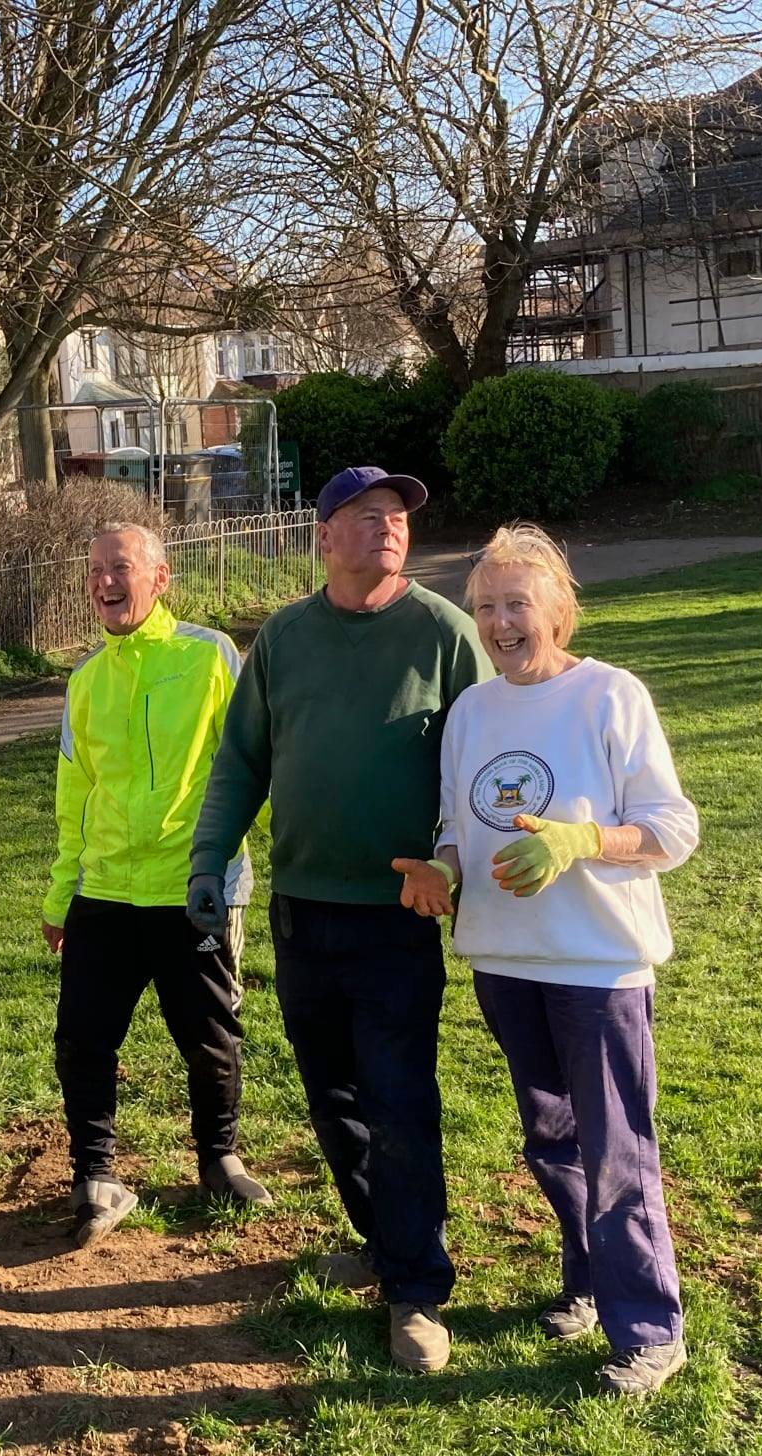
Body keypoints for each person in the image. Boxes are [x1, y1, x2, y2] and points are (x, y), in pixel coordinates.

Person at [189, 465, 490, 1374]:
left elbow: (484, 764)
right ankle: (382, 1239)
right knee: (333, 1098)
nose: (388, 528)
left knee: (399, 1100)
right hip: (302, 909)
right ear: (323, 537)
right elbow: (242, 762)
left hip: (396, 915)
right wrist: (209, 859)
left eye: (397, 516)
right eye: (366, 516)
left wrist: (456, 864)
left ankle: (415, 1291)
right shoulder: (284, 637)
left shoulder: (444, 633)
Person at [392, 523, 698, 1396]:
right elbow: (457, 825)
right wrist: (442, 871)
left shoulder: (609, 695)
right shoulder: (472, 712)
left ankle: (650, 1330)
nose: (499, 623)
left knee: (617, 1151)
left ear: (559, 611)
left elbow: (674, 829)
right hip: (506, 961)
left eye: (517, 604)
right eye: (485, 607)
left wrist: (583, 840)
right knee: (552, 1140)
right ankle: (589, 1280)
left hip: (597, 965)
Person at [41, 521, 270, 1247]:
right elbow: (73, 794)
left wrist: (238, 860)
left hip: (193, 888)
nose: (105, 582)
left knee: (209, 1037)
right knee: (83, 1040)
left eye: (121, 567)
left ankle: (218, 1158)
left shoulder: (209, 655)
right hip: (105, 891)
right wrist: (61, 894)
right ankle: (95, 1173)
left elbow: (251, 758)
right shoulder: (85, 679)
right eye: (95, 570)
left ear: (160, 578)